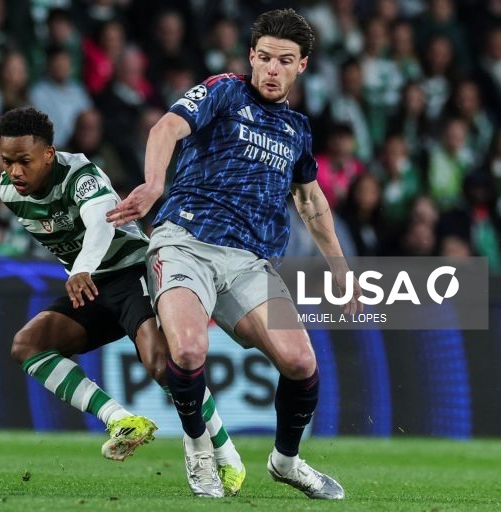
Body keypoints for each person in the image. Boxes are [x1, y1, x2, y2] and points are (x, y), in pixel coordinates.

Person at [107, 9, 361, 500]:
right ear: (251, 57)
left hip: (248, 262)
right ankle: (199, 449)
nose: (270, 69)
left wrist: (343, 271)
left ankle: (286, 461)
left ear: (302, 65)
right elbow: (166, 128)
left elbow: (311, 204)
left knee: (300, 361)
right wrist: (154, 184)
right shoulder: (224, 90)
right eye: (263, 57)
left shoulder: (297, 131)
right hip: (185, 242)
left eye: (283, 60)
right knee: (187, 350)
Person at [0, 108, 245, 494]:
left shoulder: (81, 175)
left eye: (24, 161)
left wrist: (80, 268)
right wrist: (82, 273)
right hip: (90, 287)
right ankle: (119, 420)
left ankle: (226, 453)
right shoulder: (9, 192)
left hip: (131, 274)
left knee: (162, 365)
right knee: (27, 345)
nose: (15, 172)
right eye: (7, 161)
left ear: (48, 154)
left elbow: (99, 223)